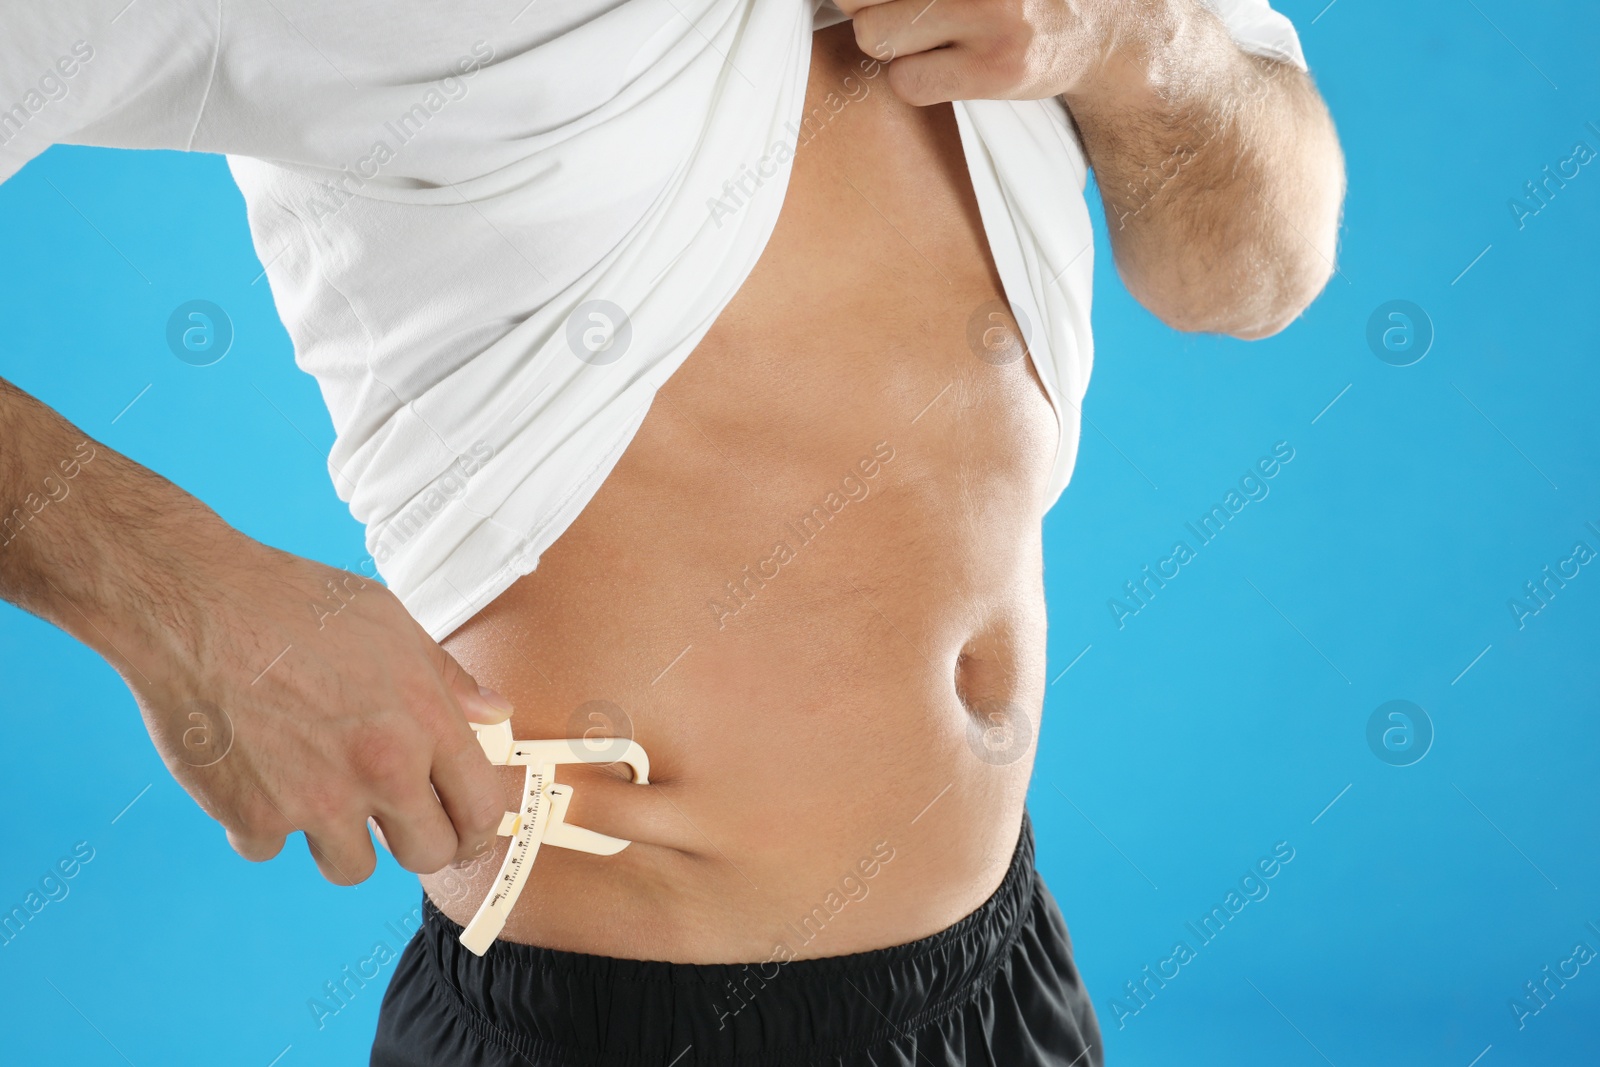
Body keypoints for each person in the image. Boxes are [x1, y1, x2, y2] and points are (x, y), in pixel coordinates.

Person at [0, 0, 1343, 1062]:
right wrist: (179, 595)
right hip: (616, 1019)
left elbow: (1261, 273)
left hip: (1002, 975)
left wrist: (1131, 45)